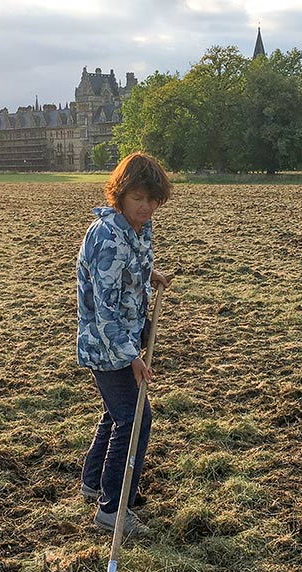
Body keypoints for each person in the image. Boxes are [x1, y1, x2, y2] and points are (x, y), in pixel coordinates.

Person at [76, 152, 173, 536]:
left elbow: (134, 264)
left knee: (117, 413)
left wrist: (150, 274)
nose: (146, 207)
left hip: (127, 336)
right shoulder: (107, 239)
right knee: (134, 419)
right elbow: (104, 310)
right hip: (107, 344)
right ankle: (113, 509)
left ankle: (93, 482)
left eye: (152, 199)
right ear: (119, 194)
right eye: (138, 198)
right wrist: (132, 356)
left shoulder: (136, 229)